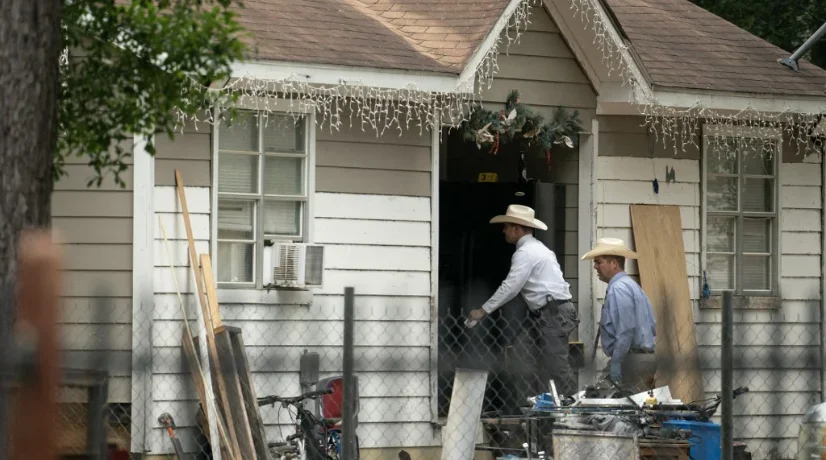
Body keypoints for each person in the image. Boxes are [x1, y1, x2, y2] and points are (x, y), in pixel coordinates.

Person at [468, 204, 580, 397]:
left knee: (557, 365)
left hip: (551, 312)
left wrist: (483, 311)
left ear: (517, 229)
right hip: (546, 312)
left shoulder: (525, 253)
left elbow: (511, 287)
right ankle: (534, 405)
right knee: (522, 355)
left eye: (506, 227)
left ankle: (574, 405)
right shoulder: (537, 248)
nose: (503, 231)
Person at [581, 237, 657, 394]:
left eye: (599, 262)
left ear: (613, 263)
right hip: (640, 358)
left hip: (630, 360)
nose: (595, 267)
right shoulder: (631, 286)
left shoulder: (619, 289)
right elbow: (652, 325)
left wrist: (616, 362)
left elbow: (627, 329)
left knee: (603, 399)